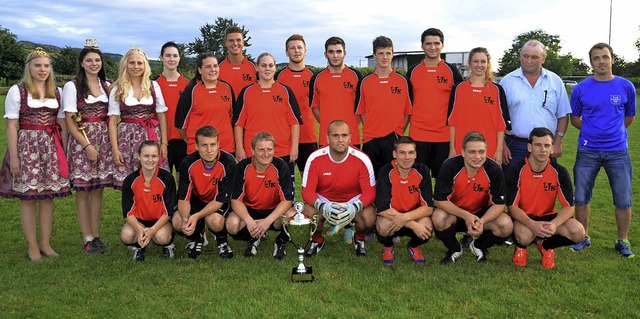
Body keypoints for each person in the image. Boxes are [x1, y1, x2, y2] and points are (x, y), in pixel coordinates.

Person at [0, 47, 71, 262]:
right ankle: (32, 246)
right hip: (27, 147)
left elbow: (62, 124)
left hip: (51, 147)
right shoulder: (18, 91)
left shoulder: (56, 92)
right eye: (38, 65)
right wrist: (14, 157)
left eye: (46, 66)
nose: (43, 70)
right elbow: (12, 126)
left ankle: (46, 243)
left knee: (48, 197)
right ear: (29, 67)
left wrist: (64, 152)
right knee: (29, 198)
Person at [569, 42, 636, 257]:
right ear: (591, 63)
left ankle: (623, 241)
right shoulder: (581, 89)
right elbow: (574, 118)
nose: (601, 61)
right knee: (581, 196)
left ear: (612, 59)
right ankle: (583, 236)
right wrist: (592, 132)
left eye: (605, 57)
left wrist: (612, 133)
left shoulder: (626, 86)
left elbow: (629, 117)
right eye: (596, 58)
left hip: (618, 151)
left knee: (623, 198)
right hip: (587, 151)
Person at [507, 127, 585, 269]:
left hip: (549, 217)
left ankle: (546, 246)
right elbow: (512, 207)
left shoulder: (559, 171)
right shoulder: (516, 170)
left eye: (547, 145)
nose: (543, 149)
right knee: (524, 236)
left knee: (579, 232)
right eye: (538, 145)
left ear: (551, 148)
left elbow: (569, 207)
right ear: (529, 147)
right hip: (525, 218)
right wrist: (532, 225)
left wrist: (554, 224)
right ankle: (520, 248)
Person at [62, 39, 113, 254]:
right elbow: (70, 121)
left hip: (104, 140)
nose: (94, 63)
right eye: (89, 60)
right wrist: (87, 146)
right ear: (81, 63)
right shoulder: (72, 86)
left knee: (98, 190)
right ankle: (87, 236)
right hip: (83, 141)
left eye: (97, 60)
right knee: (83, 191)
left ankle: (96, 233)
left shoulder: (107, 86)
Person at [432, 131, 512, 264]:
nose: (477, 156)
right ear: (463, 152)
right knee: (438, 217)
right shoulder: (450, 166)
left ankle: (478, 245)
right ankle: (455, 249)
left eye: (481, 152)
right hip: (455, 213)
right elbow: (440, 200)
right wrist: (466, 215)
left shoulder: (493, 169)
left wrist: (482, 221)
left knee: (506, 224)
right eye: (472, 152)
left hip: (481, 214)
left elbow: (499, 204)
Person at [302, 120, 377, 256]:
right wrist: (322, 206)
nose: (340, 140)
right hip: (325, 200)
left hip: (352, 200)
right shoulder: (315, 158)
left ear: (350, 137)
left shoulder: (362, 159)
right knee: (308, 213)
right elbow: (307, 191)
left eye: (344, 135)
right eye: (335, 135)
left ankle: (359, 239)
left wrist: (354, 207)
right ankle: (317, 240)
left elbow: (370, 193)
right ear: (327, 138)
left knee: (369, 217)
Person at [500, 40, 571, 170]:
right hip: (514, 146)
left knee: (545, 188)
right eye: (525, 56)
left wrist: (558, 142)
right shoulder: (507, 82)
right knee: (512, 188)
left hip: (545, 146)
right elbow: (498, 118)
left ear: (543, 59)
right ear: (520, 57)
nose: (529, 60)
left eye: (534, 57)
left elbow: (563, 115)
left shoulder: (555, 81)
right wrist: (502, 145)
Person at [226, 132, 295, 259]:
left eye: (269, 149)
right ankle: (254, 237)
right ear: (252, 150)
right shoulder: (242, 167)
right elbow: (235, 200)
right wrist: (249, 220)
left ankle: (280, 242)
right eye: (261, 150)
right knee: (232, 225)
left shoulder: (281, 166)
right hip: (250, 209)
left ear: (274, 150)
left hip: (274, 210)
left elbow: (287, 201)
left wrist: (267, 221)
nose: (266, 154)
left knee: (292, 217)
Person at [108, 47, 169, 189]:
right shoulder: (118, 88)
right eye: (132, 63)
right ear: (125, 65)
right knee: (131, 184)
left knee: (152, 181)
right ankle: (131, 211)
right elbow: (112, 122)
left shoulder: (153, 86)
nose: (136, 67)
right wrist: (115, 149)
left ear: (145, 65)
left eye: (139, 63)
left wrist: (164, 144)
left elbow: (161, 116)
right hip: (126, 139)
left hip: (151, 136)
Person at [233, 52, 302, 176]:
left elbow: (295, 123)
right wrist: (240, 148)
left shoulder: (285, 91)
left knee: (284, 192)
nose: (267, 69)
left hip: (282, 151)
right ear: (257, 67)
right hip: (254, 152)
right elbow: (238, 124)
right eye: (264, 65)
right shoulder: (246, 92)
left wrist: (294, 147)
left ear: (275, 67)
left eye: (271, 65)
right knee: (254, 191)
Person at [406, 28, 464, 179]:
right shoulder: (412, 72)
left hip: (444, 136)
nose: (433, 47)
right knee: (419, 178)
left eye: (436, 43)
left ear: (442, 45)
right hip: (419, 135)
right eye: (428, 43)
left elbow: (459, 105)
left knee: (443, 179)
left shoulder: (452, 72)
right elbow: (406, 103)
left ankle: (440, 204)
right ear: (422, 46)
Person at [173, 126, 236, 259]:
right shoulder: (187, 163)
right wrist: (186, 219)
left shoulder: (228, 163)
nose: (209, 150)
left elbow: (219, 200)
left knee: (214, 220)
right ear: (196, 146)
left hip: (216, 201)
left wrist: (196, 217)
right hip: (196, 199)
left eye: (213, 145)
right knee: (178, 221)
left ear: (218, 144)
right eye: (204, 145)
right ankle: (197, 238)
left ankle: (222, 241)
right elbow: (184, 197)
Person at [356, 36, 412, 179]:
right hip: (370, 139)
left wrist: (398, 131)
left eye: (388, 53)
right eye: (380, 53)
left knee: (392, 179)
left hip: (393, 138)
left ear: (393, 54)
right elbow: (361, 111)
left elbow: (407, 112)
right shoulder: (365, 82)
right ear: (374, 55)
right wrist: (372, 128)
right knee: (371, 180)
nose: (384, 57)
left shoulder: (403, 81)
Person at [448, 47, 510, 165]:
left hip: (489, 149)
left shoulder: (497, 90)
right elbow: (452, 122)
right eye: (475, 61)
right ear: (470, 63)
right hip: (462, 148)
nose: (479, 65)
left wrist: (499, 150)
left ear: (488, 64)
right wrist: (452, 148)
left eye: (483, 61)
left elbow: (501, 125)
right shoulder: (458, 89)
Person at [376, 136, 433, 265]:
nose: (407, 157)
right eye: (402, 153)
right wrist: (413, 225)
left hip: (413, 215)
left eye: (411, 152)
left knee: (427, 227)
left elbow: (428, 207)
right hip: (392, 217)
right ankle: (388, 246)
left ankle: (413, 246)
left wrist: (406, 218)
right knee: (383, 227)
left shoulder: (422, 170)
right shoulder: (385, 171)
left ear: (415, 154)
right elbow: (383, 208)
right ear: (394, 154)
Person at [121, 140, 176, 261]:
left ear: (159, 157)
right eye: (146, 156)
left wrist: (152, 230)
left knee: (161, 237)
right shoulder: (130, 180)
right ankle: (139, 246)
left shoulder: (167, 178)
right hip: (139, 221)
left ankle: (168, 245)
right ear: (139, 156)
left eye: (154, 156)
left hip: (160, 221)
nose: (150, 160)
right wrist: (139, 229)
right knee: (126, 236)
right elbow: (127, 212)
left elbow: (168, 211)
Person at [175, 52, 235, 154]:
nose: (213, 70)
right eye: (208, 67)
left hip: (226, 148)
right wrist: (195, 142)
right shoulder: (191, 91)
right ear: (200, 70)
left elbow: (233, 118)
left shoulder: (227, 88)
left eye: (215, 66)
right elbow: (180, 124)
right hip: (200, 151)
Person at [274, 34, 318, 175]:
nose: (296, 51)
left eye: (300, 47)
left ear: (305, 50)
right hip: (284, 138)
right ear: (287, 52)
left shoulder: (314, 76)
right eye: (292, 48)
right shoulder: (278, 77)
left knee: (309, 179)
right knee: (286, 180)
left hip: (308, 136)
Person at [309, 36, 363, 147]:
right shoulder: (317, 78)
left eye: (339, 51)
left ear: (345, 53)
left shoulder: (356, 76)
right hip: (326, 139)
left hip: (352, 138)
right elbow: (315, 107)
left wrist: (351, 124)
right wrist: (328, 124)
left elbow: (362, 106)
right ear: (325, 54)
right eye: (331, 52)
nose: (335, 56)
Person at [153, 42, 190, 176]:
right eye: (168, 56)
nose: (172, 59)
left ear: (180, 58)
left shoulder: (189, 85)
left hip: (183, 141)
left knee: (183, 181)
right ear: (161, 57)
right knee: (162, 180)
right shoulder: (153, 84)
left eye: (175, 56)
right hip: (160, 140)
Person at [219, 26, 255, 100]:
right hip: (225, 111)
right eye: (231, 40)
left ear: (243, 42)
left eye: (238, 40)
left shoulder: (255, 67)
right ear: (226, 43)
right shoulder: (217, 67)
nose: (235, 43)